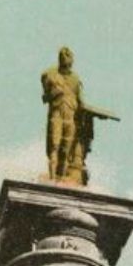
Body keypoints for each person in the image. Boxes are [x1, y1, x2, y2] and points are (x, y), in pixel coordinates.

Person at [41, 46, 83, 181]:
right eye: (64, 63)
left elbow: (81, 101)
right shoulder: (51, 75)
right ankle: (52, 178)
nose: (67, 66)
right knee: (54, 145)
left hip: (70, 117)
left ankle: (61, 178)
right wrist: (54, 93)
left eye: (69, 64)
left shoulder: (75, 79)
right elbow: (45, 98)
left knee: (66, 149)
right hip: (57, 114)